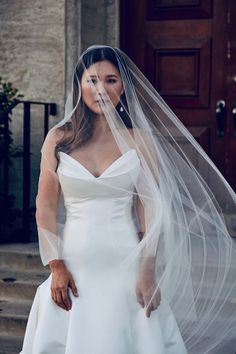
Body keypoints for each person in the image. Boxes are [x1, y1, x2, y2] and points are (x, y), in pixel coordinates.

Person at [20, 45, 236, 354]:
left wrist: (148, 270)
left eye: (111, 80)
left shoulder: (140, 140)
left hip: (125, 261)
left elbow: (150, 206)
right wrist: (55, 265)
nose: (101, 89)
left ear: (124, 86)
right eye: (92, 80)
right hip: (75, 262)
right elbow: (46, 206)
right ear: (79, 85)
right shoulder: (60, 137)